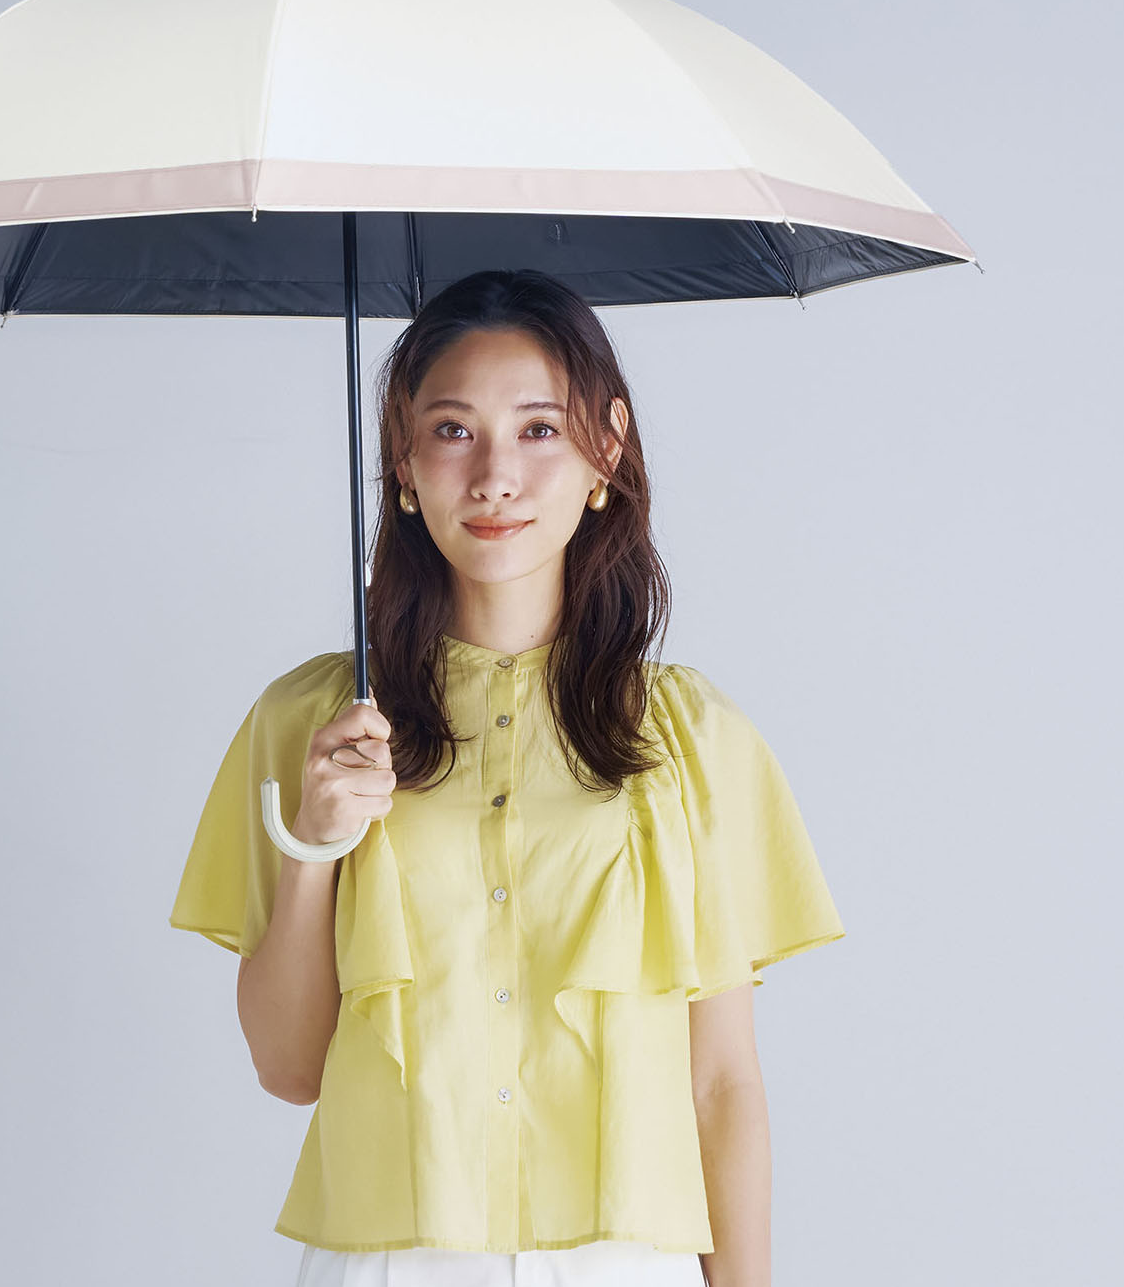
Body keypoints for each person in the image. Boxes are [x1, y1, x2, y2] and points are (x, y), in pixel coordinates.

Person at [169, 269, 846, 1285]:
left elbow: (721, 1084)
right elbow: (289, 1067)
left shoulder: (692, 737)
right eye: (451, 430)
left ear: (604, 449)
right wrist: (316, 850)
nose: (493, 477)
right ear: (401, 455)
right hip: (393, 1259)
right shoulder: (310, 723)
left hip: (626, 1259)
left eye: (538, 429)